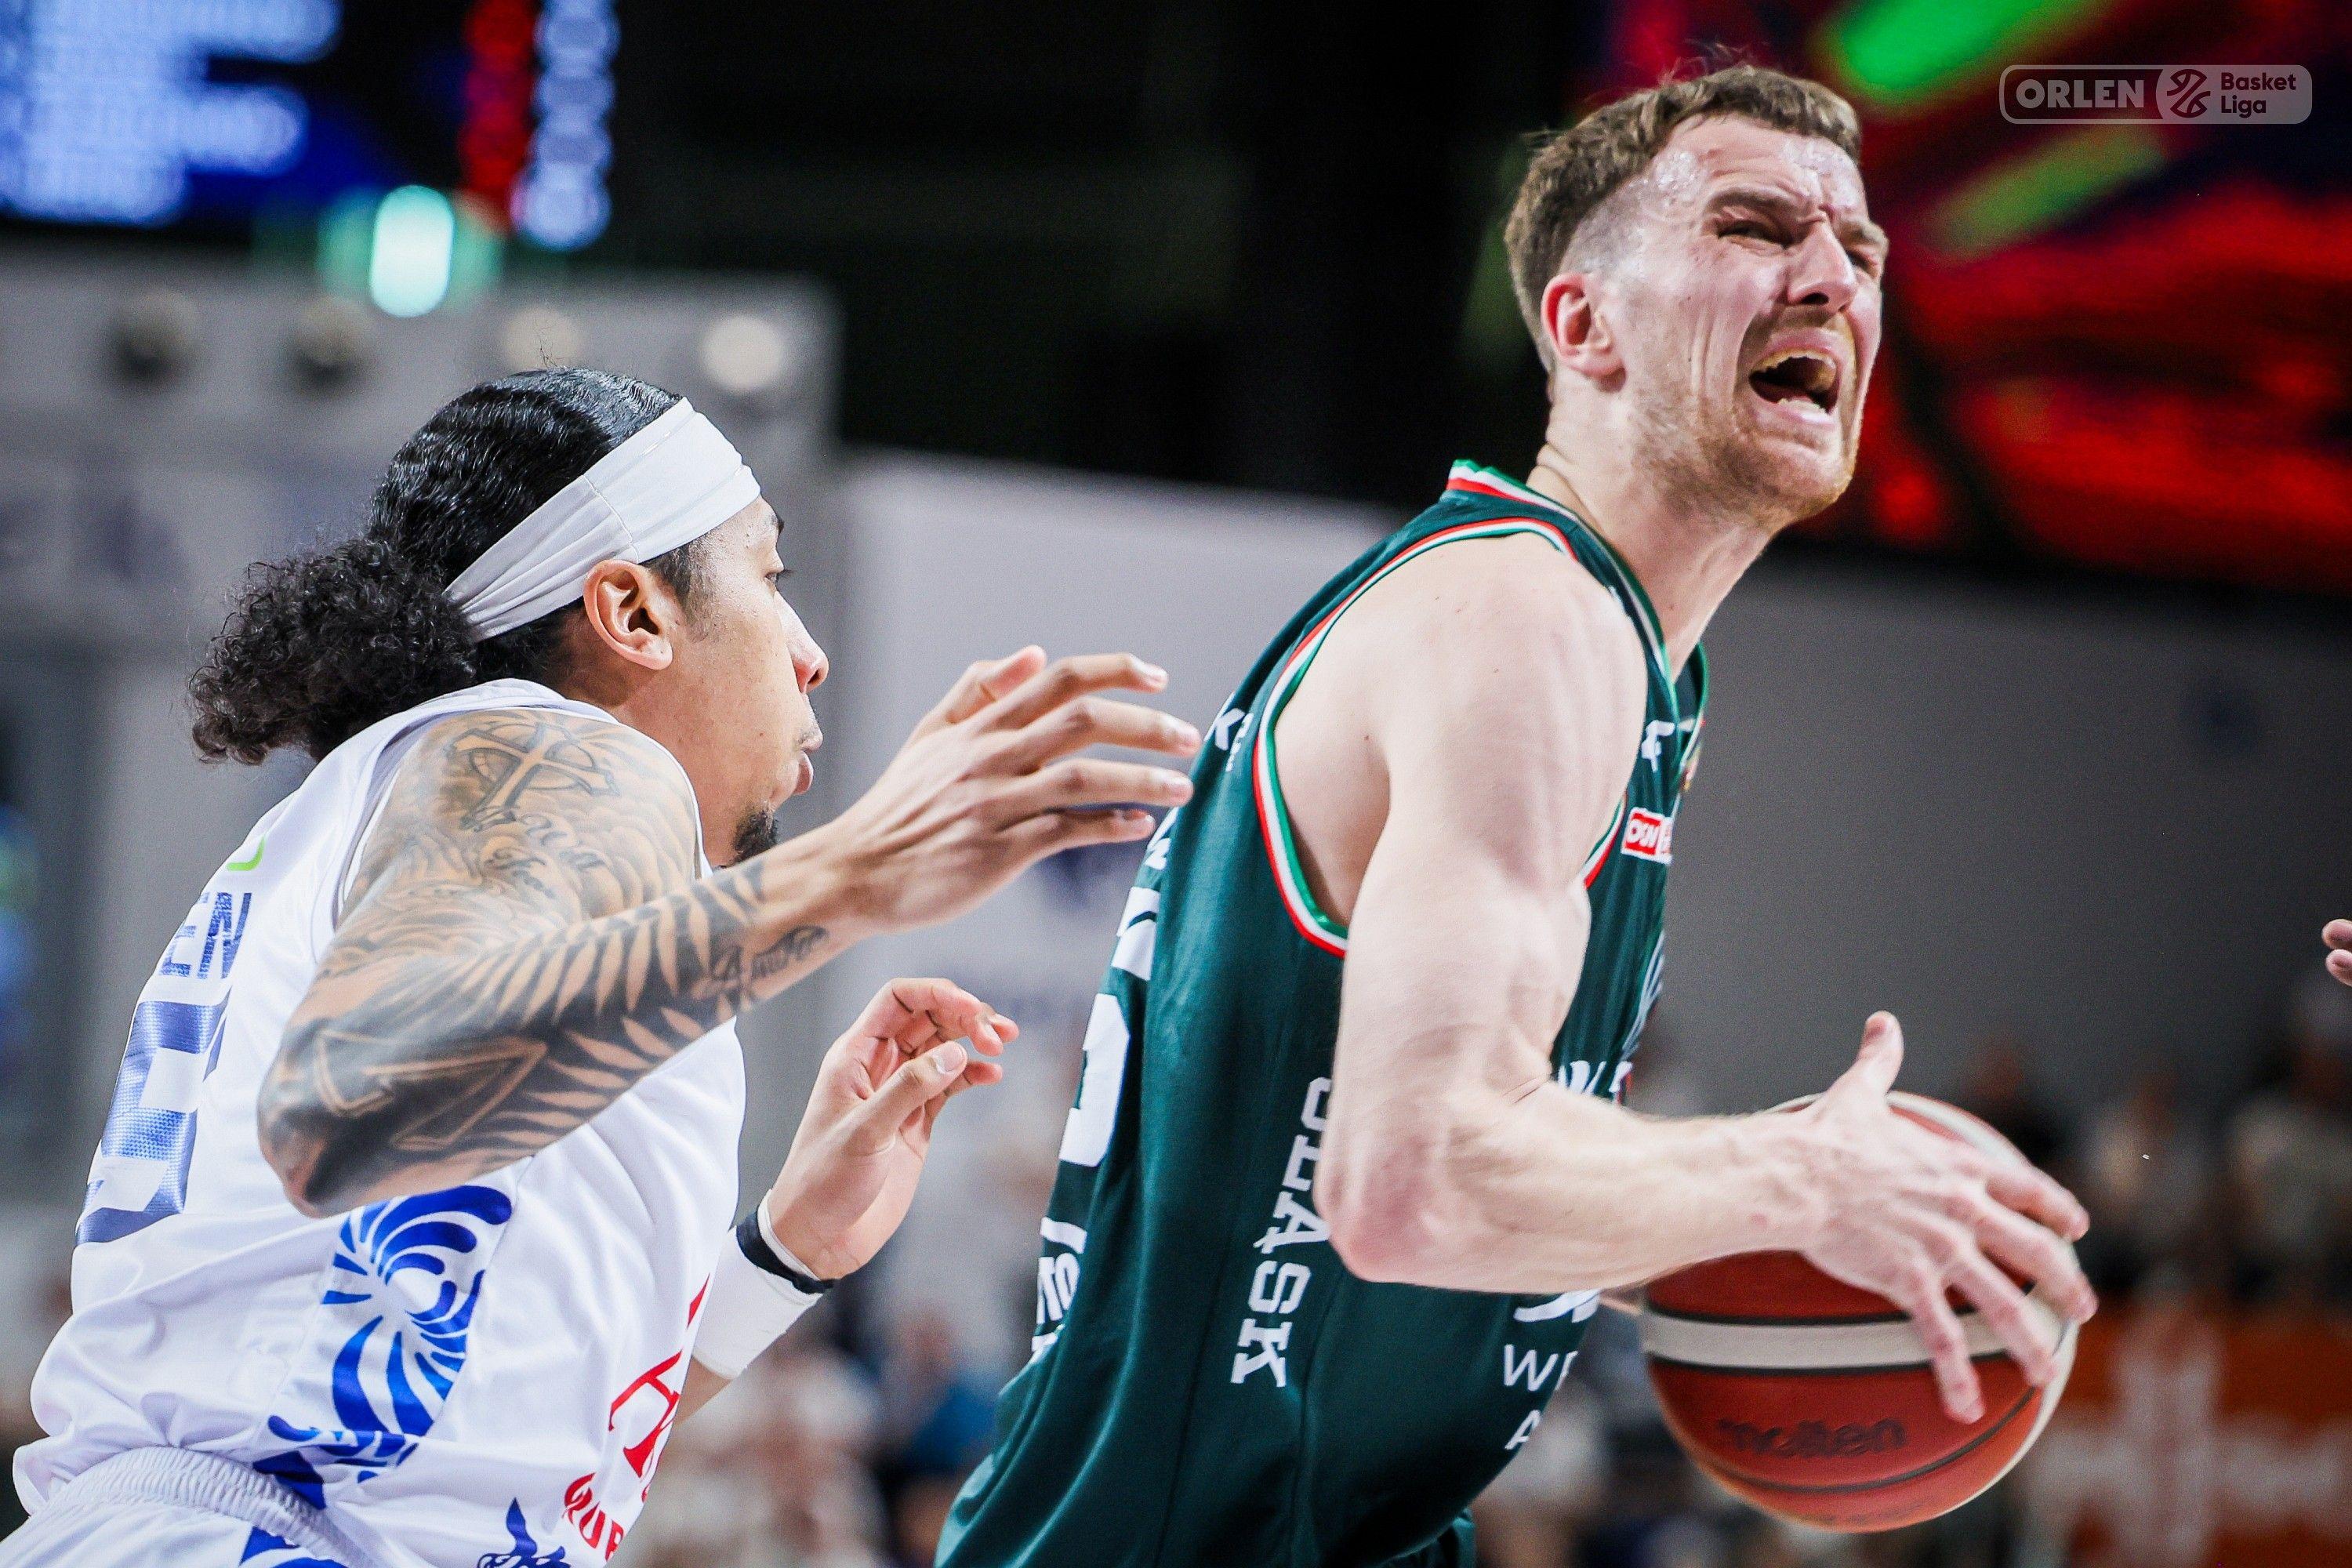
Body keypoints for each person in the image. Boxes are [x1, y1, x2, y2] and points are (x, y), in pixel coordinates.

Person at [938, 66, 2097, 1568]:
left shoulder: (1612, 656)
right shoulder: (1524, 617)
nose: (1831, 277)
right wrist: (1799, 1182)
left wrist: (1756, 1214)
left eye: (1860, 250)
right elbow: (1411, 1185)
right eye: (1755, 227)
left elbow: (1405, 1187)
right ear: (1582, 325)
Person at [5, 368, 1199, 1568]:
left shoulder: (431, 819)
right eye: (771, 578)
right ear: (632, 614)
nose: (812, 654)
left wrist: (782, 1254)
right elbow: (348, 1108)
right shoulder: (554, 748)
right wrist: (856, 872)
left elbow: (509, 1429)